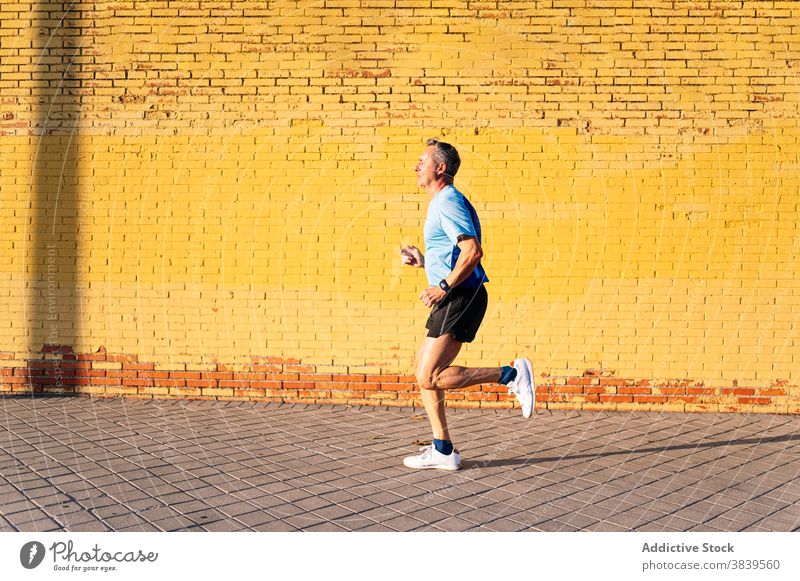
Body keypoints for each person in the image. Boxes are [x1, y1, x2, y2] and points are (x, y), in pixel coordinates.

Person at [399, 138, 534, 471]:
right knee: (423, 374)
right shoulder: (441, 202)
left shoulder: (448, 202)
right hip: (454, 294)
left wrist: (443, 285)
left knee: (430, 376)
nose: (416, 166)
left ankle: (511, 374)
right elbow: (455, 253)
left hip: (461, 295)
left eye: (422, 160)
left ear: (440, 168)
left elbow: (473, 252)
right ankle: (443, 449)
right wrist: (426, 262)